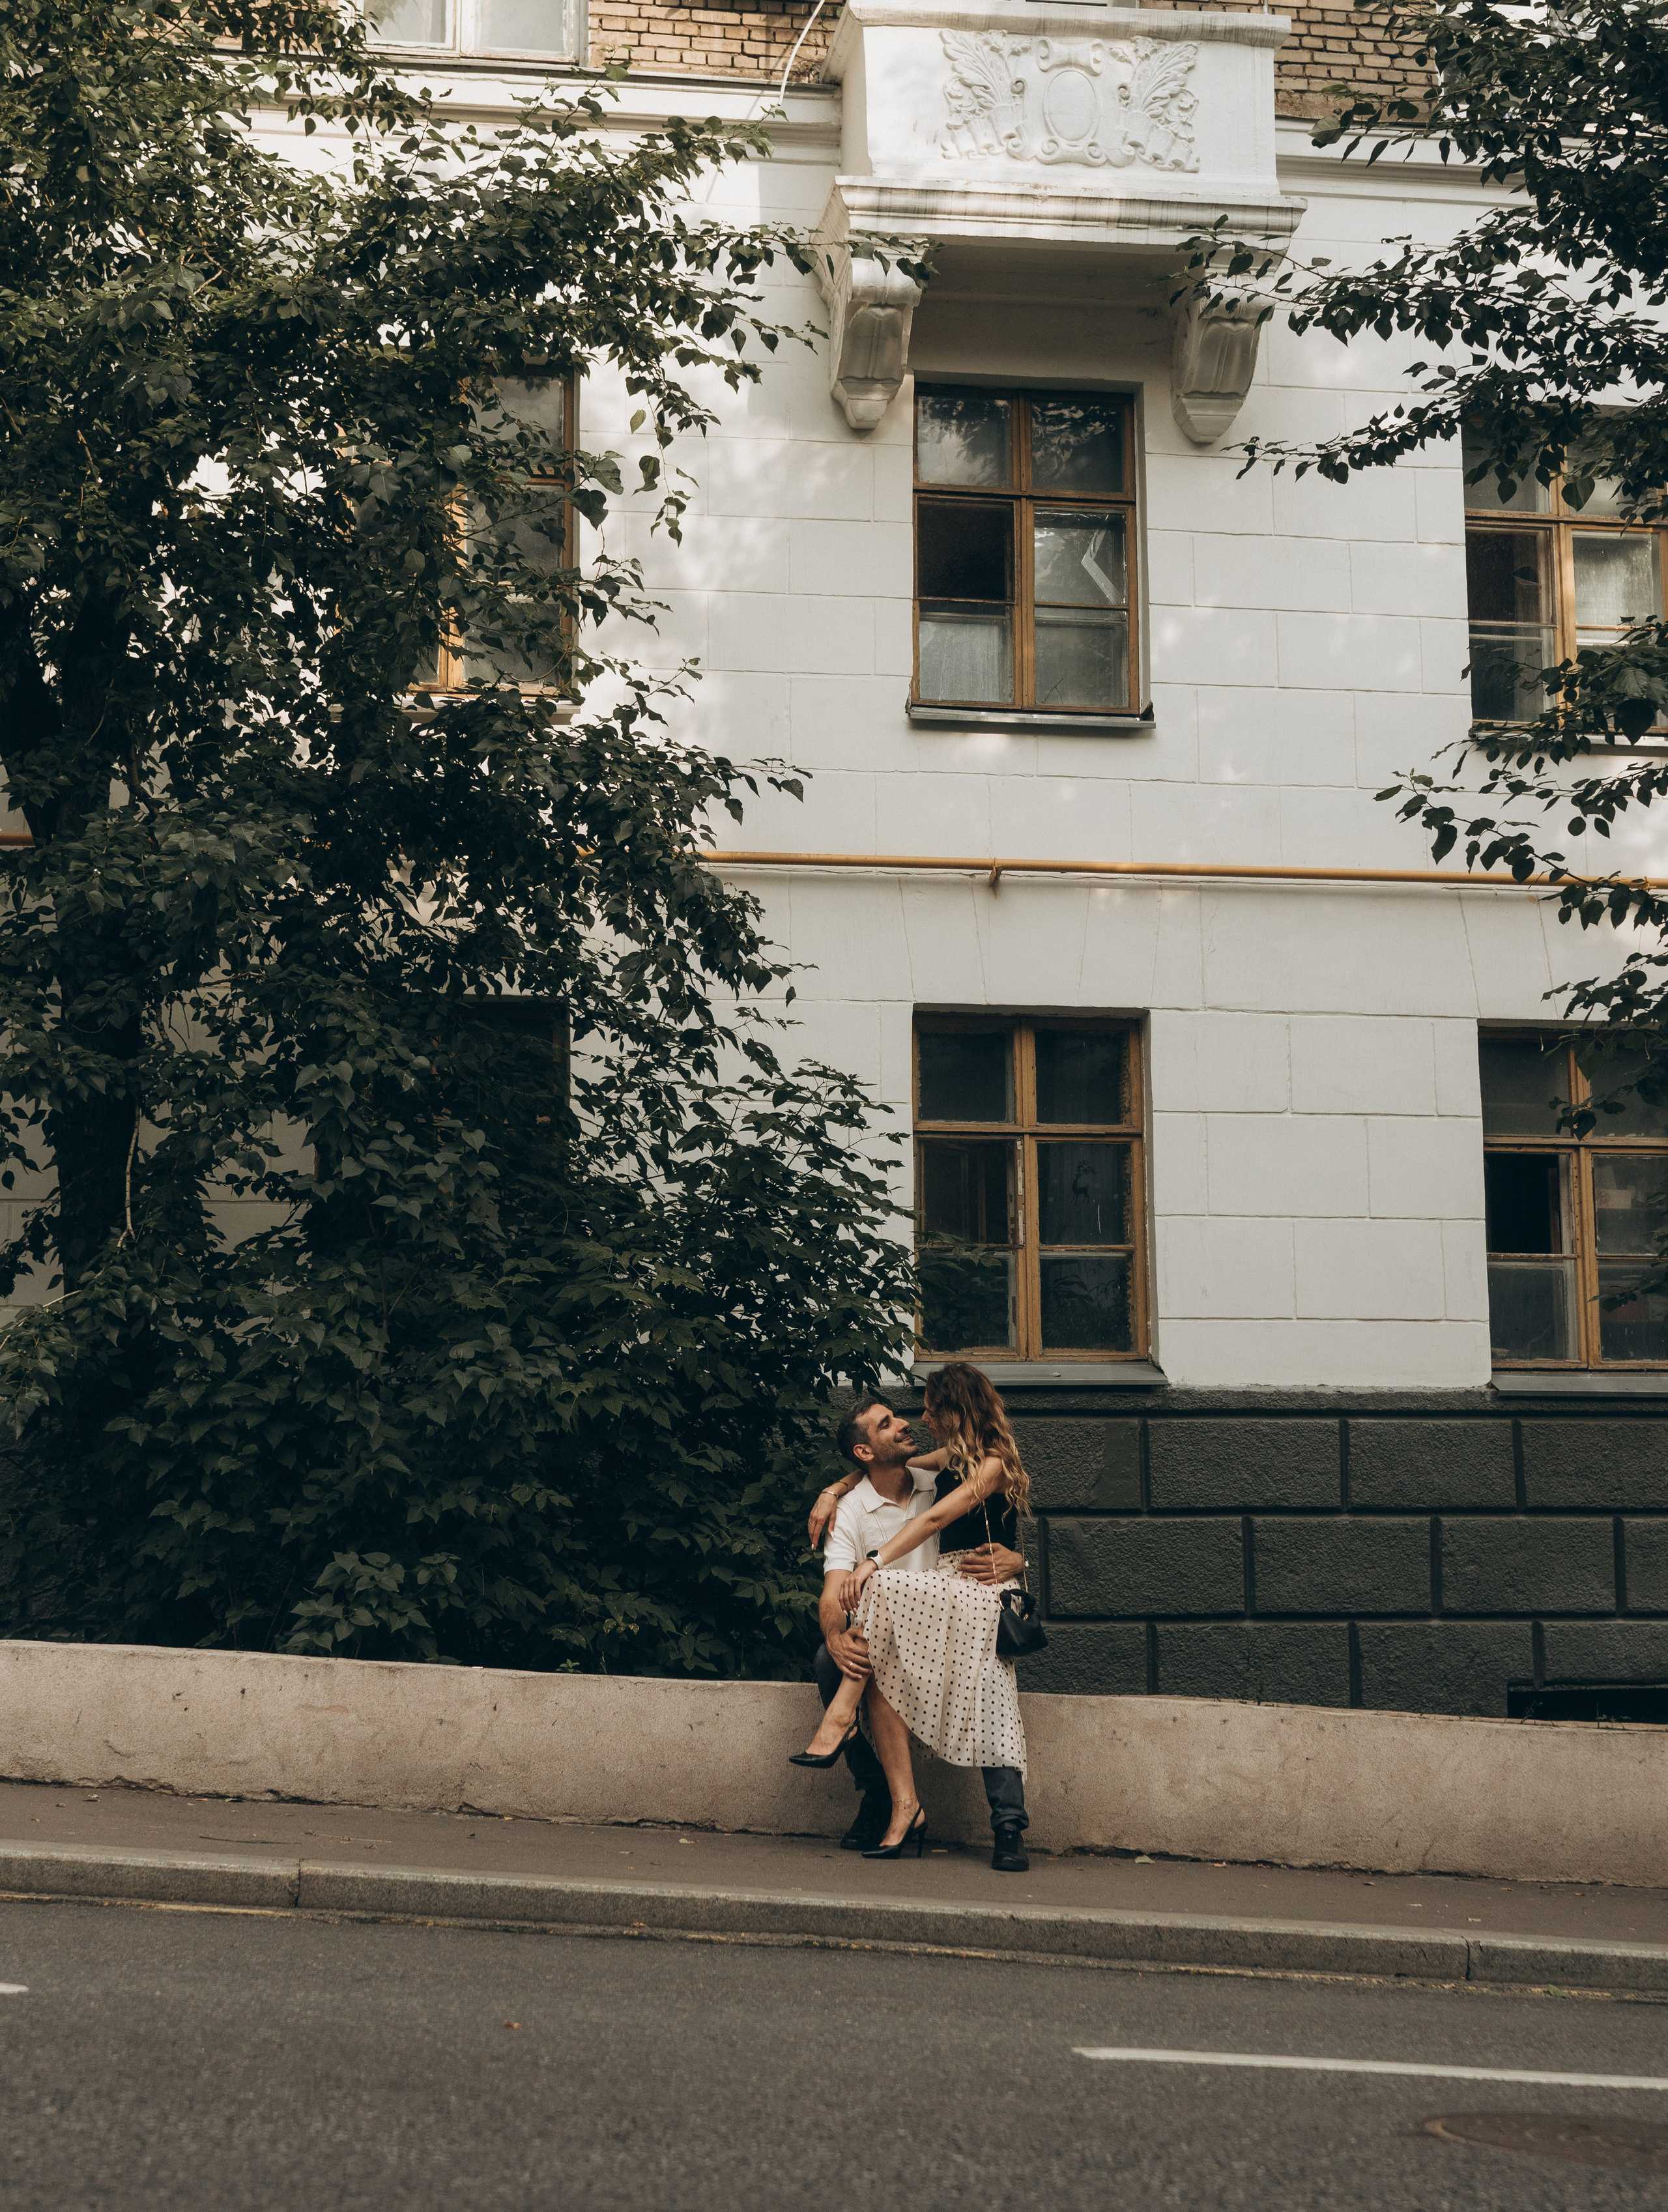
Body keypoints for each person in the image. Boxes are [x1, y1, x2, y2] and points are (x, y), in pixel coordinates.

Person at [793, 1368, 1035, 1872]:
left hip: (981, 1591)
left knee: (992, 1690)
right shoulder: (945, 1460)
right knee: (856, 1646)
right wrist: (833, 1489)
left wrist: (874, 1560)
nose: (919, 1419)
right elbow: (867, 1469)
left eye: (929, 1408)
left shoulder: (991, 1464)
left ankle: (1009, 1826)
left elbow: (933, 1520)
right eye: (903, 1415)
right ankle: (889, 1797)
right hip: (943, 1594)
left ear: (957, 1410)